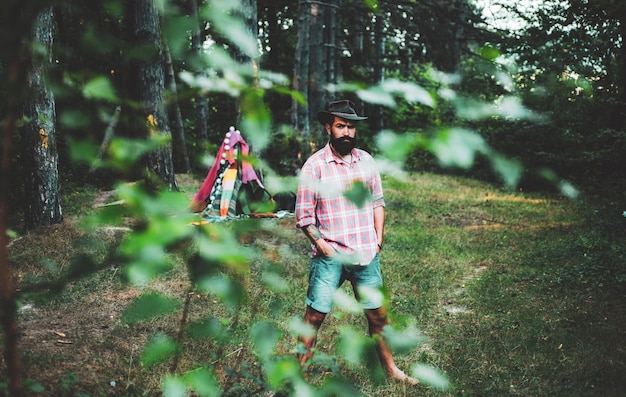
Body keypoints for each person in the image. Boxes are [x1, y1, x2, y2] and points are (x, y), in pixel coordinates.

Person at [295, 99, 418, 385]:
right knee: (314, 317)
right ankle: (298, 377)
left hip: (366, 255)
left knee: (378, 317)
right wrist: (324, 247)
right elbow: (304, 217)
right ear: (329, 127)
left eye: (351, 126)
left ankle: (391, 369)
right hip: (330, 257)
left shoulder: (366, 161)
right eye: (341, 126)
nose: (347, 132)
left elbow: (378, 201)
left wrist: (378, 239)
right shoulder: (315, 167)